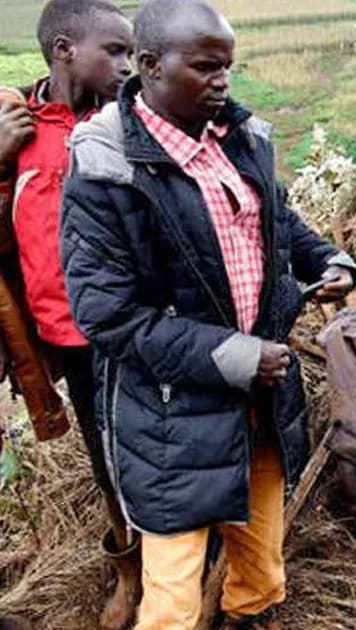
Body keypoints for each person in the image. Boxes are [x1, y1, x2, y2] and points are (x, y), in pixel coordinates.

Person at [59, 1, 356, 628]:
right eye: (205, 67)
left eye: (227, 67)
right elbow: (108, 316)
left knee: (262, 566)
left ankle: (250, 615)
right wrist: (239, 357)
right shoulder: (108, 166)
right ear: (150, 65)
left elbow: (277, 222)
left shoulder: (239, 139)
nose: (223, 81)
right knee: (171, 598)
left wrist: (327, 260)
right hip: (171, 417)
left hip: (261, 404)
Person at [0, 2, 138, 628]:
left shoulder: (131, 118)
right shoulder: (15, 125)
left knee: (154, 445)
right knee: (102, 452)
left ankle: (181, 560)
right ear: (63, 49)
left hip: (137, 324)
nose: (126, 66)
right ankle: (129, 569)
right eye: (114, 51)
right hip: (66, 330)